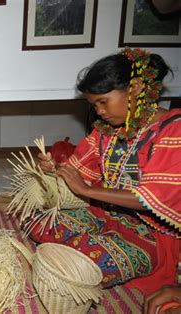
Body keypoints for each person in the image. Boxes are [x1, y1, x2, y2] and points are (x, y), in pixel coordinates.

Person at [34, 48, 180, 296]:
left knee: (83, 262)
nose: (99, 111)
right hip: (107, 214)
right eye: (94, 104)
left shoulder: (171, 131)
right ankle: (95, 241)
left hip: (151, 234)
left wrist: (87, 190)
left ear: (134, 89)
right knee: (39, 224)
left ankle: (96, 248)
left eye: (103, 101)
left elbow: (150, 200)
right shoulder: (107, 132)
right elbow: (77, 171)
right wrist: (53, 169)